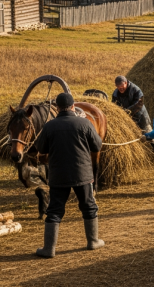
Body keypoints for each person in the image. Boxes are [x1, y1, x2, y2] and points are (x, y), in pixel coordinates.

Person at [33, 93, 104, 258]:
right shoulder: (84, 123)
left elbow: (41, 149)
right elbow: (97, 146)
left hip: (58, 175)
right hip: (83, 174)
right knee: (88, 206)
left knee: (54, 211)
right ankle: (92, 241)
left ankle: (49, 249)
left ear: (57, 108)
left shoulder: (49, 126)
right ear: (73, 106)